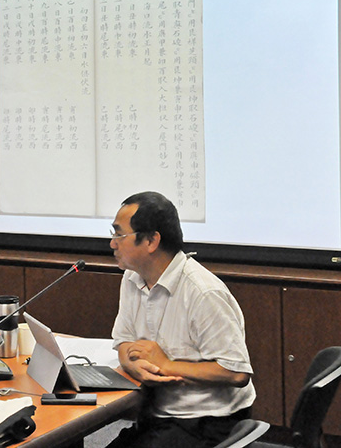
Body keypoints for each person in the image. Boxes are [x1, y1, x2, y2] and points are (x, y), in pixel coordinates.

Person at [106, 191, 255, 448]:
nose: (112, 244)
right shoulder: (132, 277)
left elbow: (236, 372)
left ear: (151, 240)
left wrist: (167, 365)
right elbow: (123, 341)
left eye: (119, 235)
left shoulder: (203, 292)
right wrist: (130, 363)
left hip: (207, 422)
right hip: (156, 414)